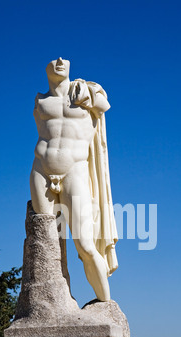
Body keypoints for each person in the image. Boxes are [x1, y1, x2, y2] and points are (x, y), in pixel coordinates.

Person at [30, 57, 118, 302]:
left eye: (64, 59)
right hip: (41, 169)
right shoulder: (40, 100)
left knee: (85, 245)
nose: (59, 60)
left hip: (74, 169)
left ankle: (105, 304)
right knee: (46, 241)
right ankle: (55, 303)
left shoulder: (87, 91)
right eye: (53, 59)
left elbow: (104, 106)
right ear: (45, 69)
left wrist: (87, 92)